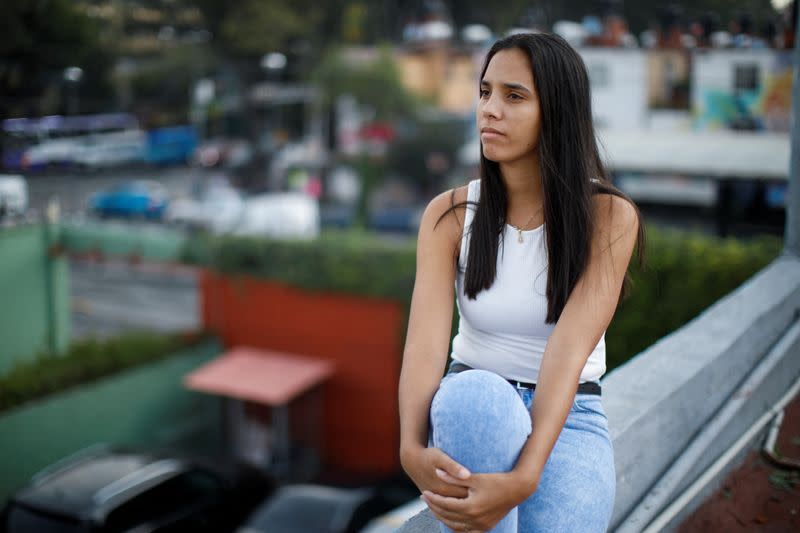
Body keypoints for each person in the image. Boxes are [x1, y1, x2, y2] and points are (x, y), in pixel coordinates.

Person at [398, 32, 645, 533]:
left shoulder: (609, 217)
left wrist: (527, 474)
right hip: (474, 409)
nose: (490, 109)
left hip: (570, 417)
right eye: (485, 92)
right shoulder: (448, 215)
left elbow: (567, 353)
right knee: (477, 397)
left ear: (556, 111)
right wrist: (409, 446)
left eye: (514, 96)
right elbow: (425, 345)